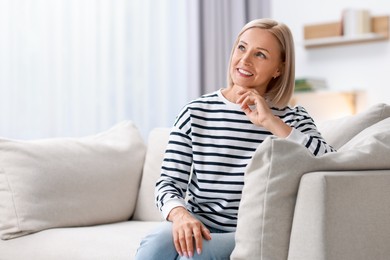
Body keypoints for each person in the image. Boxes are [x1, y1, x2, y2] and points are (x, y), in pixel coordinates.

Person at [135, 18, 335, 260]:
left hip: (250, 232)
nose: (245, 60)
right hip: (199, 221)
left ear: (279, 68)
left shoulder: (291, 118)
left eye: (260, 54)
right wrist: (181, 215)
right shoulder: (195, 112)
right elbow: (167, 183)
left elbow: (331, 162)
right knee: (155, 245)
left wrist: (271, 122)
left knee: (193, 256)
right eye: (242, 47)